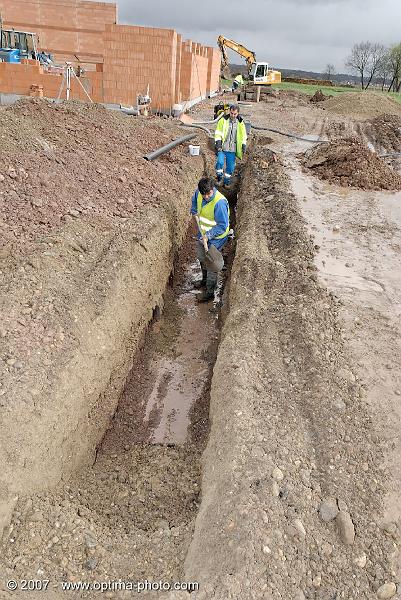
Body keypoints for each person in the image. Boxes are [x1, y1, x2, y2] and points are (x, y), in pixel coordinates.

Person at [190, 177, 230, 302]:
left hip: (216, 238)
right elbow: (194, 201)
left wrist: (209, 235)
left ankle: (209, 292)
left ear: (213, 189)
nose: (206, 197)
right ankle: (204, 280)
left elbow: (223, 226)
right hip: (202, 234)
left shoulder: (220, 203)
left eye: (209, 194)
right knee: (202, 257)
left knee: (212, 264)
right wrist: (194, 210)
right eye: (204, 194)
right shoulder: (199, 193)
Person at [214, 103, 247, 187]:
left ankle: (226, 181)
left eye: (235, 114)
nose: (233, 115)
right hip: (222, 147)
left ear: (238, 113)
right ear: (229, 111)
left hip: (232, 149)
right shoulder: (223, 121)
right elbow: (218, 133)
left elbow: (243, 135)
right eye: (231, 113)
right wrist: (218, 144)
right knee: (220, 162)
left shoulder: (241, 123)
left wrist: (243, 144)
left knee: (230, 167)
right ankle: (219, 178)